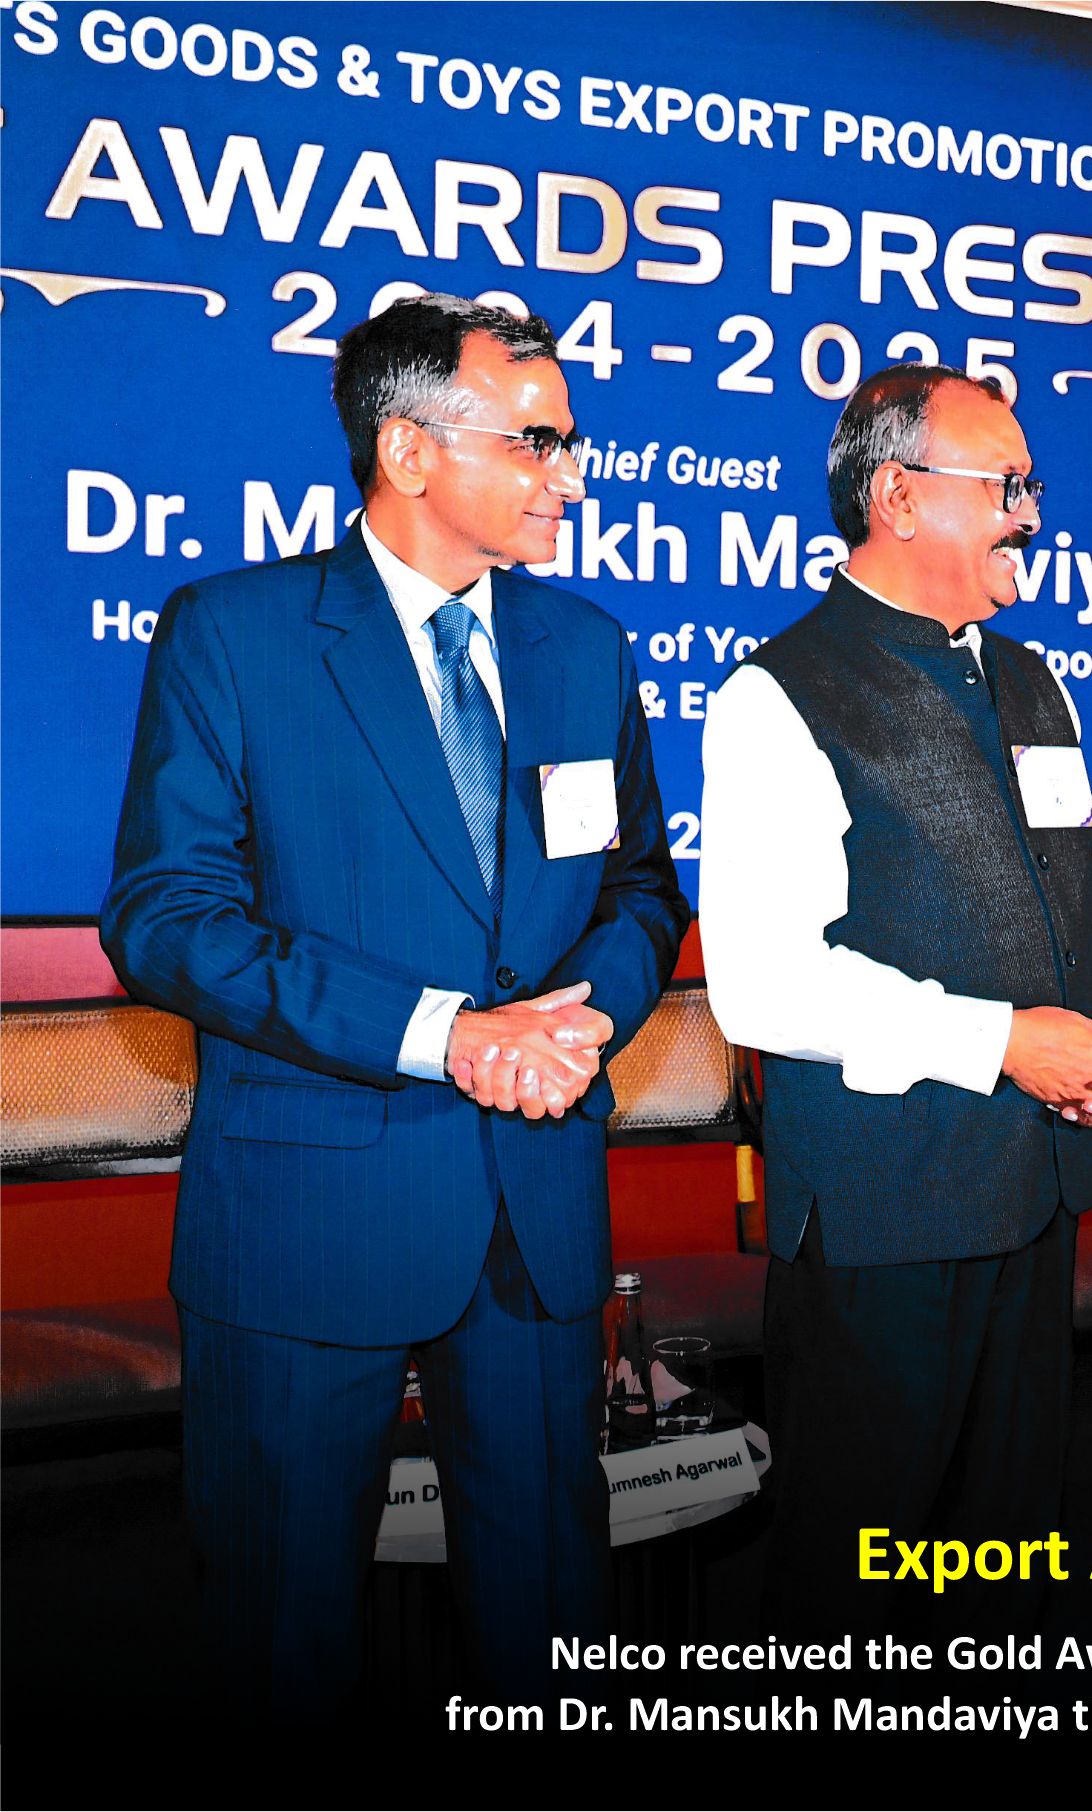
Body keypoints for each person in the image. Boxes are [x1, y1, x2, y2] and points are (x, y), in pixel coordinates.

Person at [99, 293, 688, 1717]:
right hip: (307, 1228)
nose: (571, 474)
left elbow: (640, 890)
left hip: (535, 1218)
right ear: (410, 451)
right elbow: (167, 921)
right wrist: (446, 1036)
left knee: (550, 1635)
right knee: (283, 1644)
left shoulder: (585, 648)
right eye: (536, 441)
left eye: (571, 440)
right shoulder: (235, 635)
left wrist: (581, 1021)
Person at [699, 365, 1092, 1641]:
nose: (1031, 514)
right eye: (1005, 485)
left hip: (1035, 1195)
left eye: (1031, 485)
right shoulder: (777, 694)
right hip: (883, 1216)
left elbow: (1085, 891)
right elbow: (764, 980)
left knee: (1006, 1569)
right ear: (898, 498)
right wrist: (1007, 1043)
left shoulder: (1033, 680)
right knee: (859, 1591)